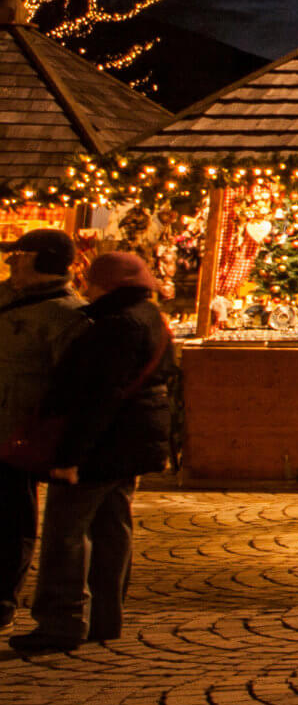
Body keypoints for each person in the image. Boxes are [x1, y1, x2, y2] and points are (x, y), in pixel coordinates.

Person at [9, 251, 173, 657]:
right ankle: (106, 617)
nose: (85, 286)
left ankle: (60, 621)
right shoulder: (149, 317)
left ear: (107, 284)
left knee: (65, 533)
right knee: (113, 529)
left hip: (103, 445)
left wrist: (70, 456)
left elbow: (98, 397)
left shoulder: (115, 325)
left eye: (92, 280)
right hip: (133, 442)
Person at [0, 229, 87, 633]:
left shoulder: (66, 315)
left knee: (10, 518)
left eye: (19, 254)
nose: (10, 261)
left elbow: (71, 385)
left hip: (15, 435)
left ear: (43, 260)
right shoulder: (5, 297)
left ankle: (2, 598)